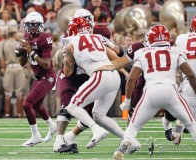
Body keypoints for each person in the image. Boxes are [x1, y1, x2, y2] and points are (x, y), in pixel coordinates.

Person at [113, 25, 196, 160]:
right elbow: (191, 75)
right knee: (191, 124)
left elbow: (132, 78)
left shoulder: (142, 52)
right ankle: (176, 129)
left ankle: (122, 149)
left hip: (150, 92)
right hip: (170, 91)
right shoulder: (175, 51)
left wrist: (127, 100)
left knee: (133, 126)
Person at [53, 8, 125, 153]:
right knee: (68, 106)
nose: (87, 24)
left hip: (91, 74)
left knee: (89, 111)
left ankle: (71, 136)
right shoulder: (73, 36)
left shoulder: (100, 34)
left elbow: (119, 53)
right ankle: (59, 141)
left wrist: (111, 46)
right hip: (72, 74)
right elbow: (67, 69)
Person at [18, 12, 57, 146]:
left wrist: (30, 51)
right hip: (38, 77)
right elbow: (22, 63)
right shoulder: (26, 37)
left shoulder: (45, 37)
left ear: (40, 25)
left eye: (35, 25)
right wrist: (23, 52)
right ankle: (52, 126)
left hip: (48, 77)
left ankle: (35, 136)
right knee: (36, 105)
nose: (32, 28)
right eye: (30, 25)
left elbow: (46, 64)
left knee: (27, 104)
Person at [169, 15, 196, 145]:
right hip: (189, 82)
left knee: (187, 115)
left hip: (189, 82)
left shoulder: (182, 38)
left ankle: (177, 131)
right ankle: (179, 129)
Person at [0, 27, 26, 118]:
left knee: (8, 92)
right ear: (14, 34)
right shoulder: (19, 44)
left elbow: (2, 60)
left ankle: (7, 114)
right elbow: (23, 57)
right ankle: (19, 114)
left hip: (9, 68)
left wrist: (4, 69)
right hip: (18, 67)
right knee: (19, 92)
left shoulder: (4, 45)